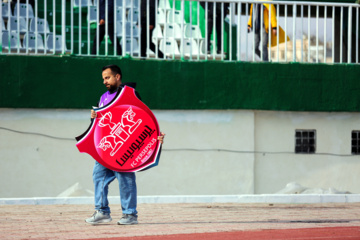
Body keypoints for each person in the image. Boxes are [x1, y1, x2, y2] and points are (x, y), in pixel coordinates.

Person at [85, 64, 165, 225]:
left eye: (107, 78)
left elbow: (142, 117)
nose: (104, 81)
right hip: (106, 148)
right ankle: (102, 211)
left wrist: (153, 137)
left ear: (117, 77)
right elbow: (102, 124)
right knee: (98, 176)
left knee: (125, 179)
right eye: (103, 79)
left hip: (125, 147)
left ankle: (130, 215)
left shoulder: (131, 94)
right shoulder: (103, 97)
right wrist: (94, 117)